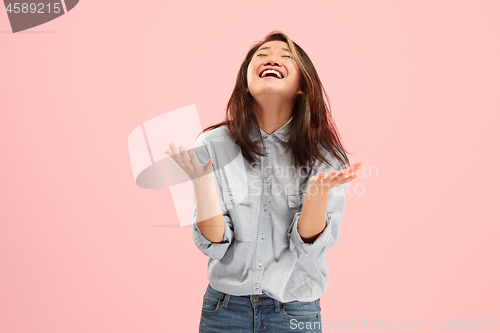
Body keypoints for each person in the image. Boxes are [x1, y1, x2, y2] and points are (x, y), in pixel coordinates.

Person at [164, 31, 363, 333]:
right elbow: (215, 246)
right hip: (224, 311)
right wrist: (201, 184)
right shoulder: (213, 144)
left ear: (302, 87)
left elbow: (308, 250)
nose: (272, 58)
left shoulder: (325, 154)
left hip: (295, 311)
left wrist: (317, 196)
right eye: (262, 55)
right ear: (245, 82)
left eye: (286, 57)